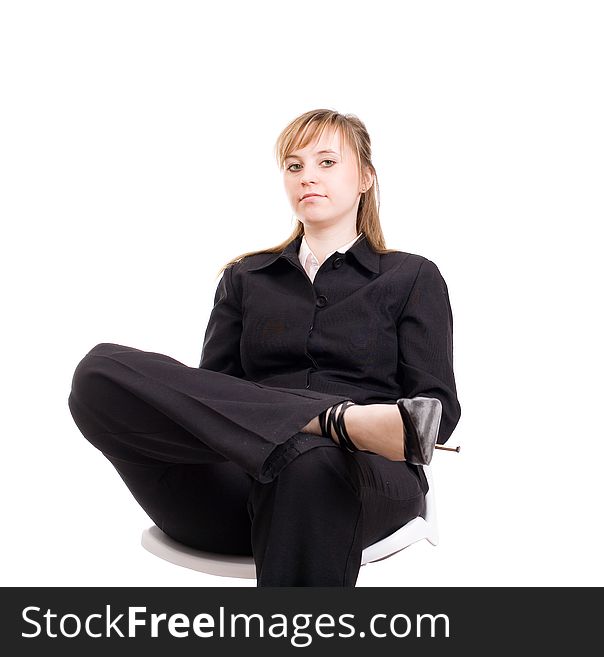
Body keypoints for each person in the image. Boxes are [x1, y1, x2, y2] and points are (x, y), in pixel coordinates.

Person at [67, 108, 462, 587]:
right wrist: (326, 418)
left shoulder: (411, 276)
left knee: (310, 461)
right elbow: (207, 399)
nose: (306, 177)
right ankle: (335, 420)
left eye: (326, 162)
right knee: (99, 370)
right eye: (294, 166)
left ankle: (327, 432)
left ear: (365, 177)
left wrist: (321, 437)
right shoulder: (245, 277)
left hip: (359, 482)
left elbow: (435, 414)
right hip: (234, 491)